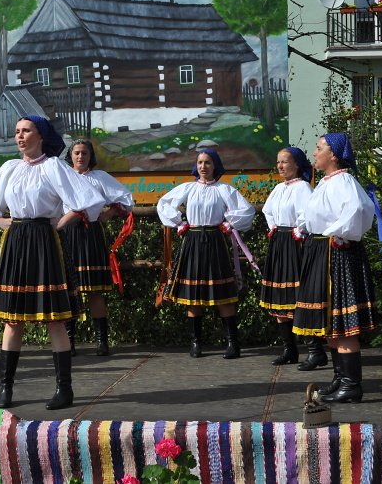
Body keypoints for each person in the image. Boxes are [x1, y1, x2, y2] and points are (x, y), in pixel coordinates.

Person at [0, 115, 105, 410]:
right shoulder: (10, 168)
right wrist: (4, 222)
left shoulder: (53, 166)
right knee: (12, 319)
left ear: (40, 135)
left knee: (54, 318)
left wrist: (56, 225)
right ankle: (6, 388)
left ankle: (64, 389)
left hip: (44, 241)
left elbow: (87, 201)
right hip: (16, 242)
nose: (19, 136)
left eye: (26, 131)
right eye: (16, 131)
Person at [294, 133, 377, 403]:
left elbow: (360, 209)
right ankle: (340, 379)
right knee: (329, 323)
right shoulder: (325, 182)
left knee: (341, 322)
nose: (314, 152)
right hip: (321, 249)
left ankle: (352, 385)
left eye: (319, 148)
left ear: (334, 155)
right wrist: (304, 226)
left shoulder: (344, 180)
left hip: (337, 251)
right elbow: (314, 213)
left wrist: (337, 233)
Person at [157, 149, 255, 359]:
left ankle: (232, 343)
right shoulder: (188, 188)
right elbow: (164, 203)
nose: (203, 167)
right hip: (192, 241)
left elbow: (246, 210)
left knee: (224, 296)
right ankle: (196, 343)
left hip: (214, 240)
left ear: (215, 166)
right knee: (193, 297)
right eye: (200, 162)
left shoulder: (224, 189)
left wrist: (230, 223)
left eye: (208, 163)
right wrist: (179, 223)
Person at [63, 139, 133, 356]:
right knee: (68, 290)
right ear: (71, 156)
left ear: (90, 156)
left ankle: (102, 342)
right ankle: (69, 342)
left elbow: (126, 199)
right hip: (67, 233)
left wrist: (109, 213)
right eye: (76, 153)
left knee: (95, 291)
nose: (80, 157)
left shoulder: (99, 177)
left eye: (84, 153)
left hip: (91, 233)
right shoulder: (63, 177)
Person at [259, 147, 313, 366]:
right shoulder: (279, 188)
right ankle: (289, 349)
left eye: (285, 162)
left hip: (295, 242)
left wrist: (299, 230)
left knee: (299, 295)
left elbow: (309, 213)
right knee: (280, 297)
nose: (281, 166)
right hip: (279, 241)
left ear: (297, 164)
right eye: (278, 162)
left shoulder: (303, 188)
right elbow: (267, 209)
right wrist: (273, 227)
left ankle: (313, 348)